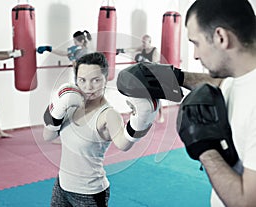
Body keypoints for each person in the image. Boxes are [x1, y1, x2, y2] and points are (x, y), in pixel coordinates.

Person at [42, 52, 159, 207]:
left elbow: (123, 144)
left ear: (106, 79)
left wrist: (142, 120)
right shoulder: (70, 103)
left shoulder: (108, 115)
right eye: (82, 80)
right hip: (62, 186)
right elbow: (47, 136)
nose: (88, 87)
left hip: (89, 193)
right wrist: (56, 109)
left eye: (96, 80)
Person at [178, 0, 256, 206]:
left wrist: (204, 148)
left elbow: (246, 202)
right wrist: (175, 77)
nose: (194, 54)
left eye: (196, 43)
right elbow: (222, 82)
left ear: (220, 37)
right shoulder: (239, 75)